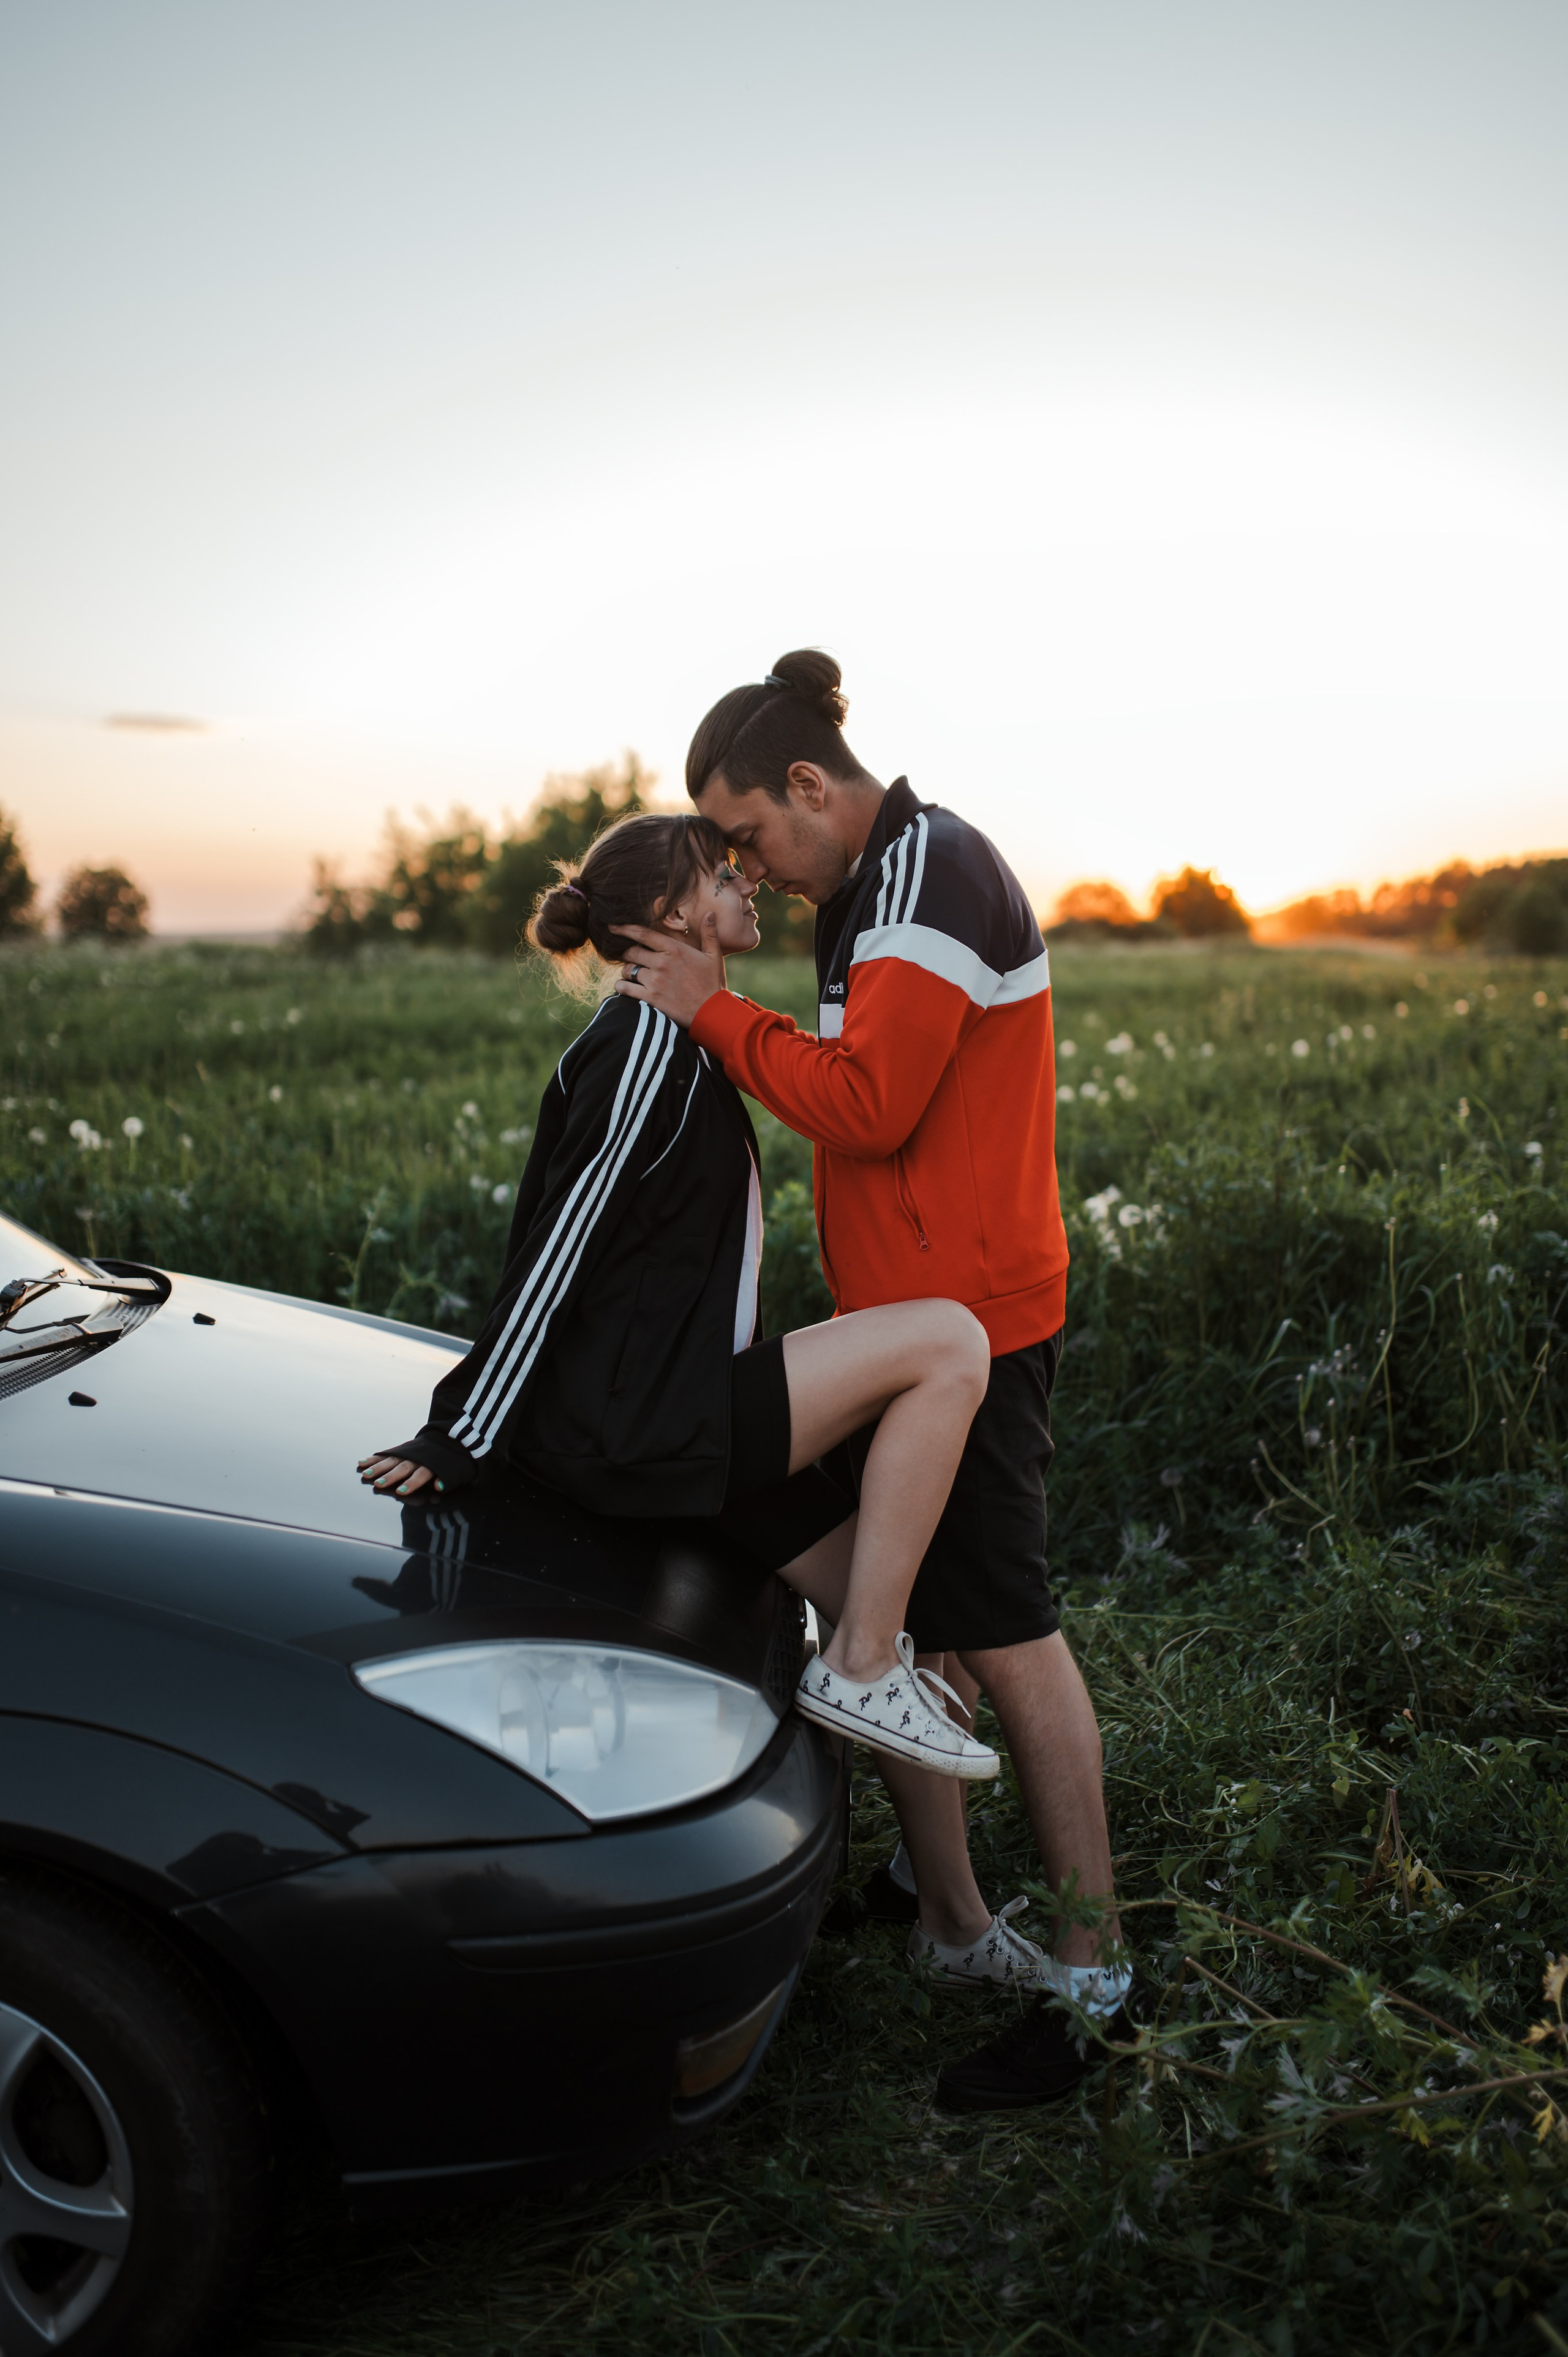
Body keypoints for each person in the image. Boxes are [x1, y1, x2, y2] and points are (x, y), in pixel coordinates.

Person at [614, 649, 1131, 2111]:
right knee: (865, 1586)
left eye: (748, 836)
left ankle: (1092, 1977)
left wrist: (714, 1009)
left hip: (969, 1333)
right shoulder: (869, 892)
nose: (747, 869)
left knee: (1009, 1635)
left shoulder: (928, 879)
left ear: (808, 786)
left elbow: (871, 1101)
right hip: (911, 1323)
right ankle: (938, 1895)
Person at [356, 807, 1001, 1780]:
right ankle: (859, 1668)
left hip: (675, 1403)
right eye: (722, 875)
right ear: (671, 911)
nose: (747, 884)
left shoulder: (676, 1037)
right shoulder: (641, 1052)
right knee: (950, 1342)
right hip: (648, 1428)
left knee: (896, 1596)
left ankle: (945, 1915)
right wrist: (461, 1433)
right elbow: (554, 1251)